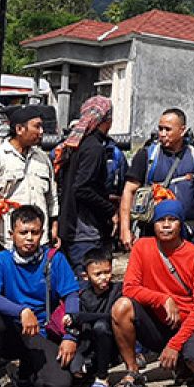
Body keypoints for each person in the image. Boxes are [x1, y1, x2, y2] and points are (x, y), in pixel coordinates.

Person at [0, 205, 81, 387]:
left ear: (42, 233)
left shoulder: (54, 259)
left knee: (59, 385)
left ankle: (27, 374)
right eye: (23, 232)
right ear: (12, 234)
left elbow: (72, 296)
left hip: (41, 333)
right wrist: (22, 311)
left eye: (35, 232)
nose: (29, 238)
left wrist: (70, 336)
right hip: (11, 332)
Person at [110, 199, 194, 387]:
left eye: (172, 220)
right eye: (161, 220)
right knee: (121, 307)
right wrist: (163, 299)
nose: (166, 225)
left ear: (181, 224)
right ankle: (133, 371)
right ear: (153, 224)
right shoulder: (142, 247)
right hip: (156, 323)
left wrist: (175, 344)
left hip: (187, 324)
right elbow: (130, 288)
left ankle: (184, 363)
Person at [119, 108, 194, 249]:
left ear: (182, 130)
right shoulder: (147, 156)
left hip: (189, 234)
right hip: (152, 234)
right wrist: (125, 229)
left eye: (167, 129)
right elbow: (129, 191)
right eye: (160, 129)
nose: (162, 134)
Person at [56, 96, 120, 276]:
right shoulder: (94, 148)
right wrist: (110, 210)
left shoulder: (74, 145)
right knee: (87, 283)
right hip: (85, 232)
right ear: (108, 121)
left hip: (70, 227)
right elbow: (82, 188)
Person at [0, 105, 58, 251]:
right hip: (6, 241)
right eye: (37, 127)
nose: (41, 132)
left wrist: (54, 227)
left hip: (39, 241)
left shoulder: (43, 158)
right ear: (19, 129)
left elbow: (52, 197)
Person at [70, 247, 122, 387]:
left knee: (101, 326)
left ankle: (102, 377)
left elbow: (113, 317)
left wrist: (82, 316)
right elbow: (79, 322)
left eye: (107, 272)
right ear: (86, 276)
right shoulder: (83, 296)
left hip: (114, 341)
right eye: (98, 274)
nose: (104, 277)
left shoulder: (118, 290)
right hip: (89, 344)